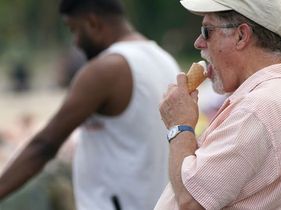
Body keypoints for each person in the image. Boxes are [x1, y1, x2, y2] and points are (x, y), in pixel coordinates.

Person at [0, 0, 180, 209]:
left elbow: (44, 145)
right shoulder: (165, 59)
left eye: (74, 29)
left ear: (92, 22)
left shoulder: (106, 69)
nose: (75, 42)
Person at [155, 0, 281, 209]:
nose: (199, 42)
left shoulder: (258, 107)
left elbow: (191, 200)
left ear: (241, 35)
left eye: (207, 30)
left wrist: (179, 126)